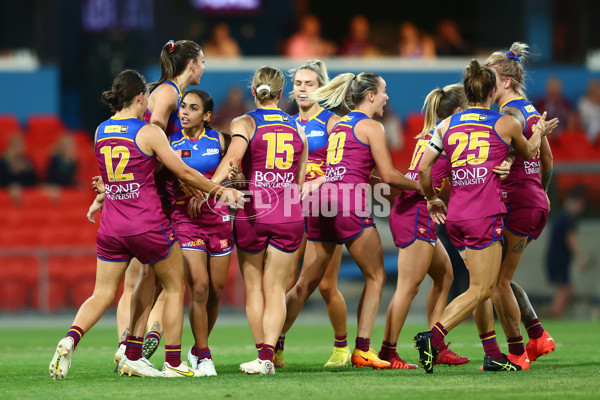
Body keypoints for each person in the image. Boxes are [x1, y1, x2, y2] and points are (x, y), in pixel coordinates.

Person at [48, 69, 243, 379]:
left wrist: (101, 195)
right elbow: (186, 173)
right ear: (141, 98)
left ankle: (73, 338)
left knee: (105, 293)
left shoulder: (99, 131)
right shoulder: (149, 132)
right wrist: (221, 190)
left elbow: (114, 177)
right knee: (174, 287)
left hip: (111, 227)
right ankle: (175, 363)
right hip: (146, 225)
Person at [413, 59, 547, 373]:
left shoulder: (447, 124)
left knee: (480, 287)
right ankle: (433, 337)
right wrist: (539, 131)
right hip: (484, 215)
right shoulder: (504, 123)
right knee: (483, 289)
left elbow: (423, 168)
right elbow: (530, 153)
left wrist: (433, 199)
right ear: (491, 91)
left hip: (456, 217)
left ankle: (492, 354)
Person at [283, 71, 421, 370]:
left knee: (305, 283)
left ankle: (272, 345)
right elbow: (388, 176)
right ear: (370, 95)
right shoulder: (371, 126)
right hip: (347, 202)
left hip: (320, 202)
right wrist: (418, 186)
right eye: (384, 91)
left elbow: (354, 171)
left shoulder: (340, 124)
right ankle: (362, 350)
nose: (387, 97)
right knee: (376, 277)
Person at [211, 66, 309, 375]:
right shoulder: (298, 128)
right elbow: (299, 181)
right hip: (288, 213)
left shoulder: (245, 122)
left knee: (254, 288)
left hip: (254, 213)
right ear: (283, 94)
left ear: (253, 91)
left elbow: (232, 160)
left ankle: (262, 356)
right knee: (276, 289)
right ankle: (269, 355)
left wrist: (211, 189)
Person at [113, 39, 206, 365]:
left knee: (145, 277)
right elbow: (148, 144)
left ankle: (130, 347)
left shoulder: (171, 94)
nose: (204, 68)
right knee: (143, 277)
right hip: (148, 196)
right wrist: (182, 177)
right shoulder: (168, 93)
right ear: (191, 64)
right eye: (202, 61)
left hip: (149, 192)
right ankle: (134, 348)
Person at [380, 84, 470, 369]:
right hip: (417, 211)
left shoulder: (433, 134)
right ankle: (388, 351)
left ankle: (436, 343)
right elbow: (427, 175)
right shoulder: (447, 135)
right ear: (458, 112)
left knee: (445, 274)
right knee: (408, 287)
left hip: (413, 209)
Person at [484, 42, 558, 368]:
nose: (486, 82)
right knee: (500, 277)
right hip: (531, 200)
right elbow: (549, 161)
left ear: (506, 82)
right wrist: (541, 193)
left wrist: (526, 189)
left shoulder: (508, 112)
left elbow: (523, 152)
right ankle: (537, 334)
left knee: (496, 282)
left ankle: (516, 353)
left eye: (491, 77)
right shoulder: (528, 109)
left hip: (519, 202)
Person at [272, 60, 349, 368]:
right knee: (287, 281)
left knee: (327, 286)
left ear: (322, 88)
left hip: (325, 209)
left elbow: (344, 166)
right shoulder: (286, 123)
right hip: (292, 209)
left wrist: (318, 180)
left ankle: (342, 347)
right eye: (299, 84)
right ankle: (275, 346)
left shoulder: (332, 123)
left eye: (310, 84)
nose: (302, 89)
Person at [165, 89, 233, 376]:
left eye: (193, 108)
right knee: (200, 287)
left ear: (206, 115)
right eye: (182, 106)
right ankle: (204, 355)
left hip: (218, 220)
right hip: (186, 221)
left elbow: (234, 172)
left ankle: (196, 348)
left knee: (216, 291)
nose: (184, 112)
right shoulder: (169, 142)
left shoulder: (219, 140)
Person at [546, 187, 588, 319]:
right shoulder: (567, 218)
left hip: (555, 258)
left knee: (566, 289)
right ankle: (555, 317)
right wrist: (581, 258)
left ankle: (557, 315)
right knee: (565, 289)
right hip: (559, 259)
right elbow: (570, 239)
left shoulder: (560, 216)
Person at [577, 79, 600, 144]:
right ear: (589, 91)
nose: (595, 93)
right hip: (586, 129)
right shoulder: (583, 103)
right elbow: (588, 118)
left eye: (597, 90)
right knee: (593, 124)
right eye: (593, 90)